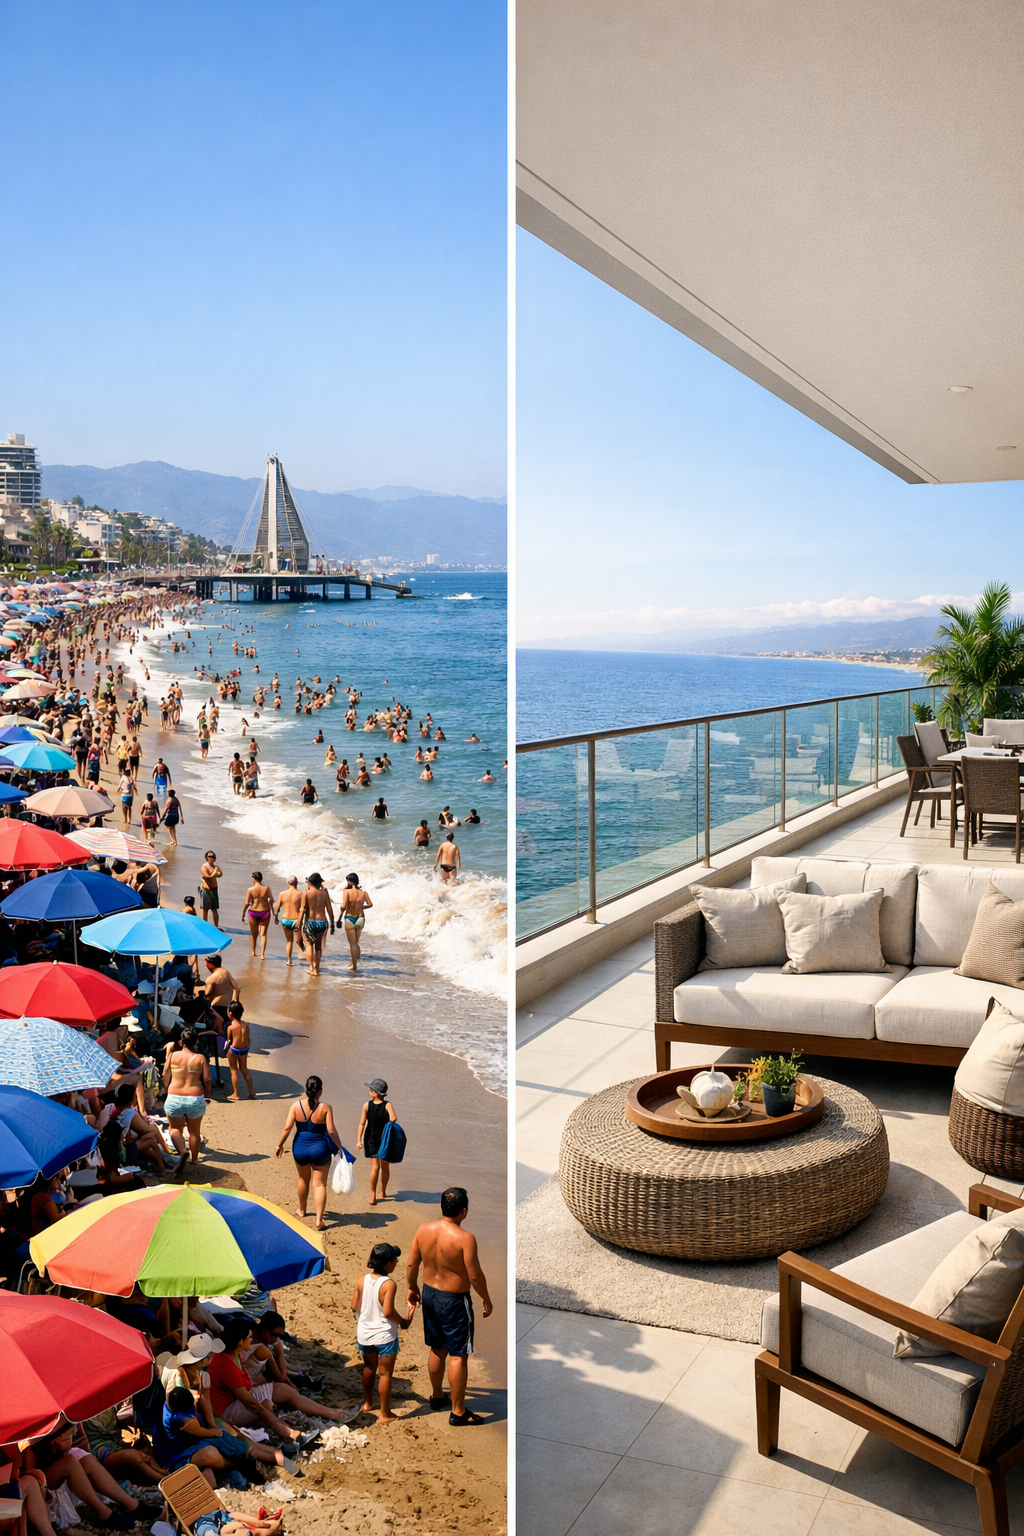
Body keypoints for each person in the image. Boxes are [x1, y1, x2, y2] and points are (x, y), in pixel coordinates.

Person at [407, 1187, 493, 1426]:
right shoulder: (465, 1238)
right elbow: (474, 1275)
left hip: (430, 1295)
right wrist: (486, 1298)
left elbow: (412, 1262)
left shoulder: (424, 1229)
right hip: (455, 1301)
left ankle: (436, 1396)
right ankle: (458, 1411)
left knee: (437, 1347)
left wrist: (411, 1287)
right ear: (463, 1211)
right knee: (458, 1354)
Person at [208, 1316, 353, 1437]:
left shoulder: (235, 1354)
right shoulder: (226, 1364)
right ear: (240, 1342)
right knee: (265, 1405)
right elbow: (250, 1402)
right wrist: (280, 1426)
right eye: (248, 1338)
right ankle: (286, 1432)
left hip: (240, 1396)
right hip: (229, 1409)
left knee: (285, 1391)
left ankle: (333, 1413)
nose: (251, 1340)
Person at [26, 1421, 140, 1529]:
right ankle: (103, 1513)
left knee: (83, 1458)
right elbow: (30, 1475)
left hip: (55, 1461)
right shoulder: (29, 1444)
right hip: (40, 1481)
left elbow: (74, 1443)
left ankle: (131, 1504)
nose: (73, 1433)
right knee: (70, 1462)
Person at [351, 1243, 417, 1425]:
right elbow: (388, 1312)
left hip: (364, 1334)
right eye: (394, 1259)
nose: (396, 1262)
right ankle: (385, 1413)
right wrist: (404, 1321)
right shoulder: (389, 1284)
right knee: (385, 1374)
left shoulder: (362, 1280)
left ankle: (367, 1403)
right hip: (384, 1336)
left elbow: (353, 1306)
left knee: (369, 1367)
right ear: (388, 1264)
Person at [274, 1074, 339, 1229]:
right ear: (320, 1091)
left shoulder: (296, 1106)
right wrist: (340, 1147)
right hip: (320, 1150)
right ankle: (318, 1221)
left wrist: (279, 1145)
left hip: (300, 1148)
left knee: (303, 1179)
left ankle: (302, 1210)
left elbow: (287, 1128)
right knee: (320, 1184)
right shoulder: (325, 1108)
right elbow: (331, 1130)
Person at [163, 1025, 211, 1172]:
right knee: (194, 1132)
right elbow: (207, 1079)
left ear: (181, 1042)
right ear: (195, 1042)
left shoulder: (173, 1056)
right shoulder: (200, 1058)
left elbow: (166, 1074)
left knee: (175, 1129)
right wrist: (207, 1095)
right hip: (194, 1097)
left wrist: (166, 1090)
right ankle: (195, 1160)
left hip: (174, 1097)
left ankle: (182, 1151)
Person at [356, 1078, 396, 1206]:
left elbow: (362, 1124)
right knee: (385, 1167)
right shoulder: (387, 1105)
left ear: (376, 1092)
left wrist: (359, 1140)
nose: (369, 1090)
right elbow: (393, 1118)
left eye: (371, 1089)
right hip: (385, 1139)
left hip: (371, 1139)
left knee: (375, 1168)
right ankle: (382, 1192)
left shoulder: (367, 1105)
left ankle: (373, 1195)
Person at [300, 873, 334, 976]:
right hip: (322, 923)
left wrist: (299, 923)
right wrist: (332, 924)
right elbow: (329, 910)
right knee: (318, 946)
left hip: (310, 922)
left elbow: (302, 909)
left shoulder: (306, 893)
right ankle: (317, 967)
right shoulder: (324, 894)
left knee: (309, 945)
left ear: (310, 882)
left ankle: (311, 968)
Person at [338, 872, 372, 975]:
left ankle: (354, 966)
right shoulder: (363, 893)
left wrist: (339, 918)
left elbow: (343, 906)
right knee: (356, 942)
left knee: (352, 944)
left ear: (349, 881)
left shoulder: (347, 892)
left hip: (350, 918)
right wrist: (362, 907)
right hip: (360, 918)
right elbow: (370, 904)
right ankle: (356, 959)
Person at [224, 1001, 253, 1102]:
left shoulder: (230, 1027)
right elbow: (248, 1039)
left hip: (234, 1050)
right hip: (245, 1049)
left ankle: (236, 1093)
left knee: (233, 1070)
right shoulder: (246, 1025)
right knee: (244, 1070)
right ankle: (251, 1092)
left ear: (230, 1014)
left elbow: (228, 1040)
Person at [274, 876, 305, 966]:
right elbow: (303, 909)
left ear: (288, 883)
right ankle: (303, 953)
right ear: (297, 883)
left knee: (289, 941)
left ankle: (289, 960)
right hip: (296, 920)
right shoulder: (301, 894)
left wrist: (276, 917)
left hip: (285, 920)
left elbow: (277, 908)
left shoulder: (282, 894)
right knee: (299, 940)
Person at [242, 871, 273, 958]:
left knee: (253, 934)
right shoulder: (267, 888)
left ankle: (253, 952)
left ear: (254, 879)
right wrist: (274, 913)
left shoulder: (250, 889)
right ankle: (262, 954)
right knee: (263, 934)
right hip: (265, 912)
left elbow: (247, 903)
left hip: (253, 912)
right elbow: (271, 900)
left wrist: (243, 913)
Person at [199, 851, 222, 928]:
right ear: (206, 857)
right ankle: (205, 925)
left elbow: (220, 874)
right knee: (205, 909)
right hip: (206, 889)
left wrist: (217, 872)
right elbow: (207, 876)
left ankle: (216, 926)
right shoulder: (204, 866)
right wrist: (215, 872)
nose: (211, 858)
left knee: (214, 909)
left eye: (212, 856)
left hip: (214, 889)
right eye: (209, 856)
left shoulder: (215, 867)